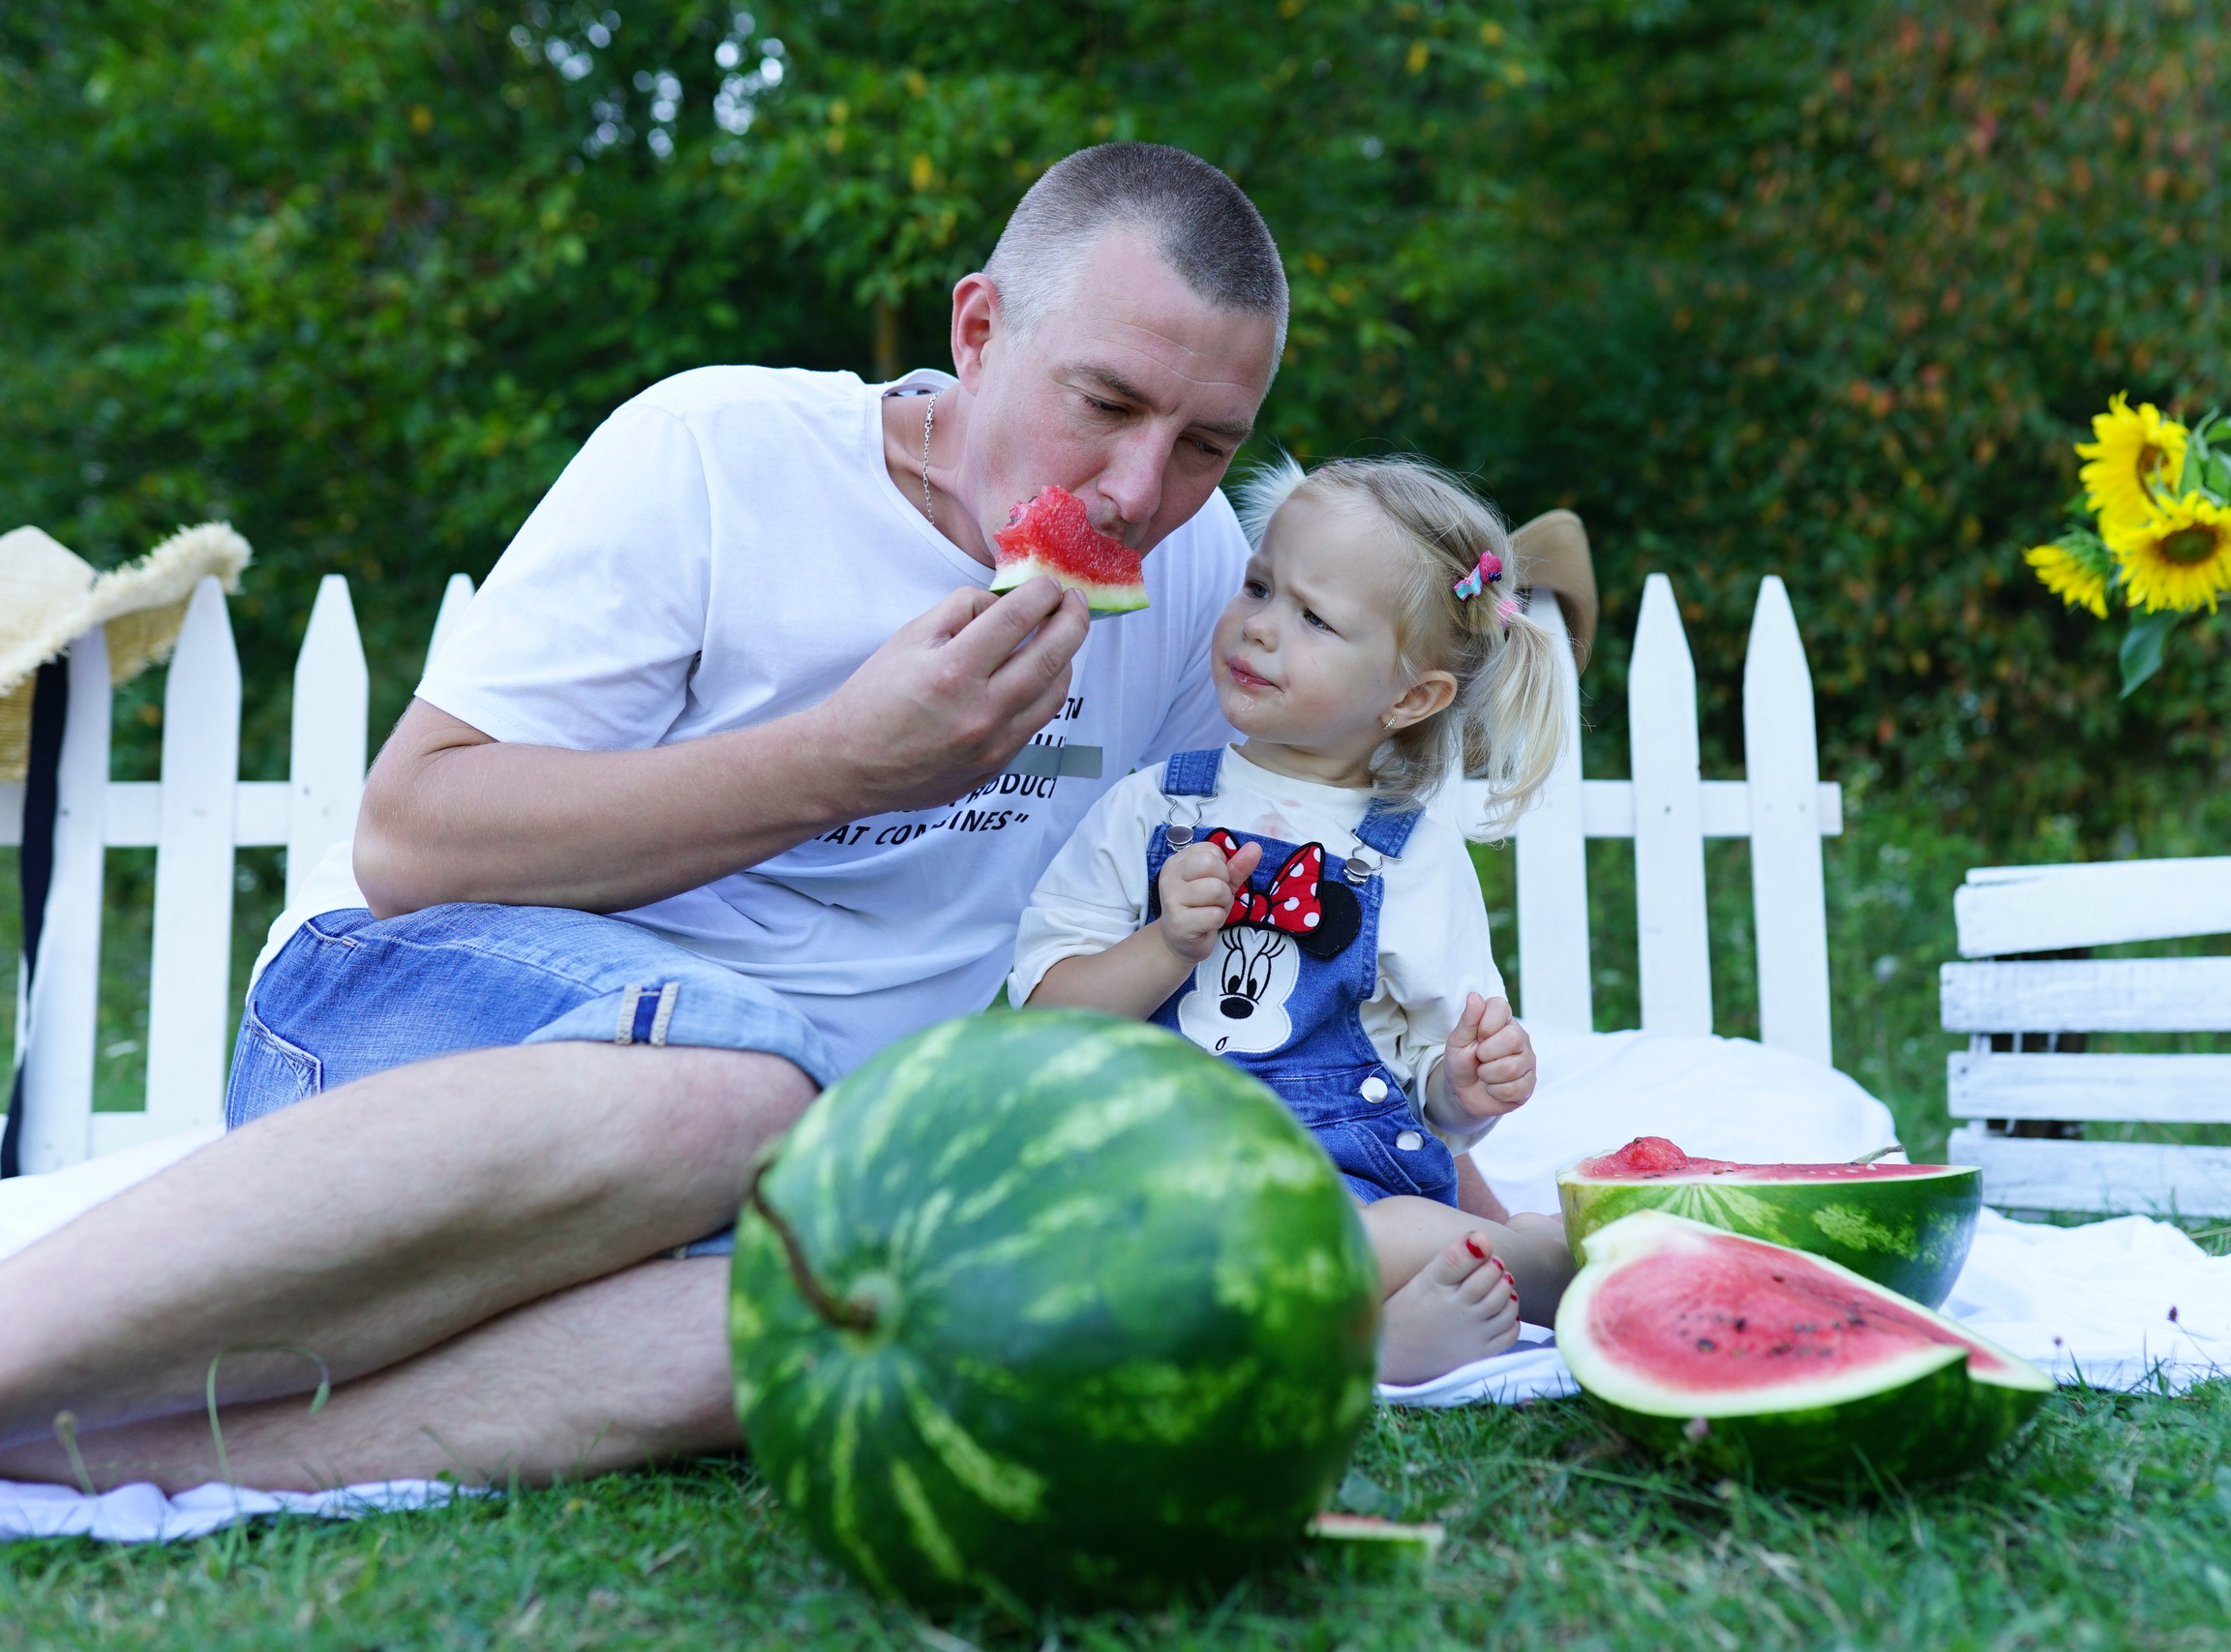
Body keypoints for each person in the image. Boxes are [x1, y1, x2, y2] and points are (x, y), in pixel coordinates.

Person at [0, 142, 1292, 1491]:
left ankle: (103, 1466)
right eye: (1106, 402)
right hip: (414, 1027)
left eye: (1207, 443)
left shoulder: (1198, 573)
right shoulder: (719, 453)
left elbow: (1231, 879)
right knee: (728, 1095)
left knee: (866, 1320)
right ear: (978, 329)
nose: (1139, 492)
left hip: (804, 1175)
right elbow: (413, 834)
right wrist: (843, 761)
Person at [1013, 454, 1577, 1383]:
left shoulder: (1417, 858)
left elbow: (1432, 1102)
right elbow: (1045, 1020)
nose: (1261, 629)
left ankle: (1535, 1273)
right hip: (1150, 1169)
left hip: (1335, 1183)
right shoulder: (1153, 806)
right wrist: (1165, 945)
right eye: (1259, 586)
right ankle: (1387, 1325)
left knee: (1388, 1228)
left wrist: (1468, 1088)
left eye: (1314, 617)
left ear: (1411, 697)